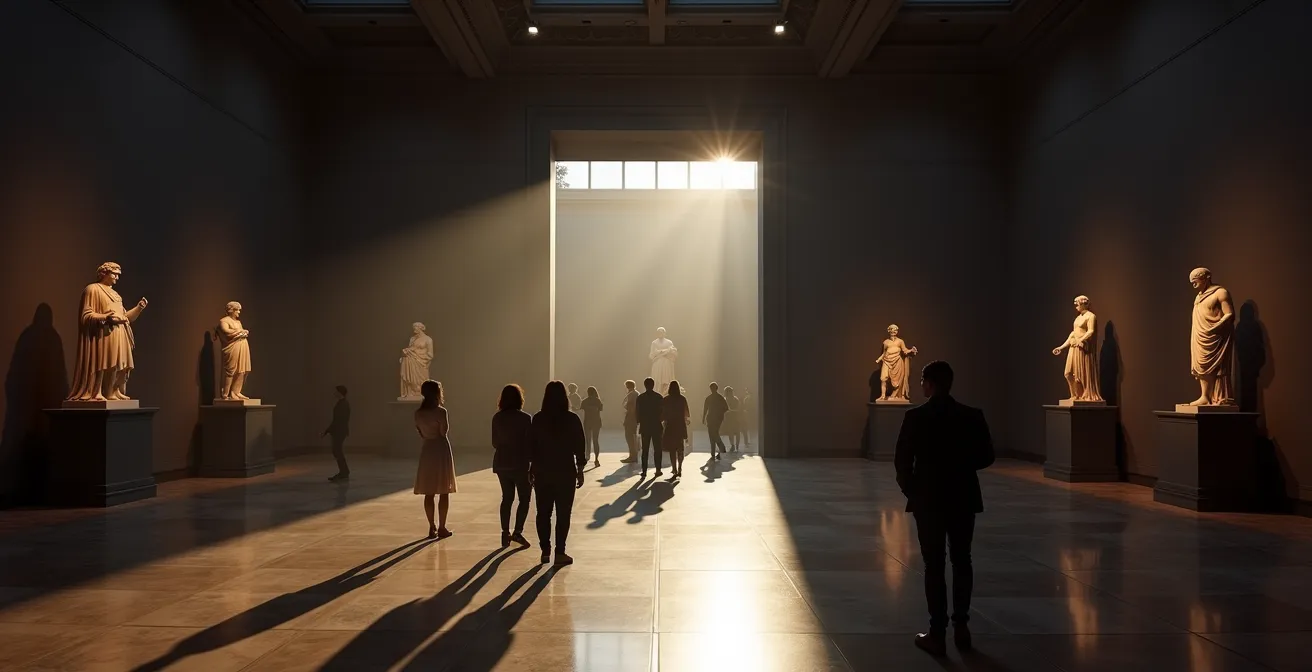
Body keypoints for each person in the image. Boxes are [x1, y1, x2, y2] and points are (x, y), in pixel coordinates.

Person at [894, 361, 994, 656]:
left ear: (929, 383)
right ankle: (961, 625)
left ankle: (937, 633)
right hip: (963, 496)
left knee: (934, 565)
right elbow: (987, 456)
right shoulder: (971, 416)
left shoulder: (915, 417)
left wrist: (913, 490)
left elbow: (902, 462)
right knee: (963, 560)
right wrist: (961, 467)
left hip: (929, 500)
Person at [529, 381, 586, 565]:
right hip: (565, 471)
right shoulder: (572, 419)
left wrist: (531, 468)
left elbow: (532, 446)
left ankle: (545, 549)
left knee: (543, 512)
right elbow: (580, 445)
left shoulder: (538, 419)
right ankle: (560, 551)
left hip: (542, 470)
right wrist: (580, 468)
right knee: (563, 513)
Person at [414, 380, 458, 540]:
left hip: (427, 449)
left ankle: (431, 526)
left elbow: (421, 433)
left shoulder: (418, 413)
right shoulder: (441, 412)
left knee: (429, 491)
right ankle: (442, 527)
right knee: (444, 489)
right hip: (440, 449)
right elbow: (443, 431)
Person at [493, 384, 533, 548]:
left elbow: (494, 442)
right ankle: (517, 532)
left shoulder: (497, 417)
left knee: (507, 498)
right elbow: (530, 443)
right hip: (520, 463)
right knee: (524, 498)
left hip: (502, 461)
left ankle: (504, 532)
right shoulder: (525, 418)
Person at [636, 377, 664, 479]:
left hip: (645, 426)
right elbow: (662, 412)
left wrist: (639, 422)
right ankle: (658, 469)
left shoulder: (640, 398)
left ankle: (644, 471)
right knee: (658, 449)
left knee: (645, 449)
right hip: (656, 425)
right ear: (653, 385)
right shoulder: (659, 397)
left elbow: (637, 412)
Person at [662, 381, 690, 478]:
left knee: (672, 449)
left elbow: (663, 414)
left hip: (670, 425)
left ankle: (673, 468)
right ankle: (680, 467)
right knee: (680, 448)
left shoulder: (666, 399)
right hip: (680, 425)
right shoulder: (682, 399)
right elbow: (686, 414)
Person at [323, 385, 351, 481]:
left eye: (336, 391)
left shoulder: (343, 404)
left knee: (337, 451)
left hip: (339, 431)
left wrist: (329, 430)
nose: (334, 393)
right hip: (339, 431)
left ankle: (344, 472)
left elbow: (338, 420)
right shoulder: (342, 403)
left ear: (340, 392)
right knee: (337, 451)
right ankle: (344, 471)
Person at [702, 382, 729, 460]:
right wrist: (720, 413)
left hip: (710, 418)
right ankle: (718, 450)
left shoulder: (708, 398)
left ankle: (716, 450)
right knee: (715, 433)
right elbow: (726, 408)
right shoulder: (720, 397)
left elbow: (705, 409)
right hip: (718, 419)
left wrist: (703, 418)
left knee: (712, 435)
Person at [581, 386, 604, 467]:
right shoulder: (598, 401)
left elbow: (581, 409)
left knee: (587, 441)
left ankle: (587, 456)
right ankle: (596, 459)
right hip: (596, 422)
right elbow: (601, 409)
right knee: (595, 440)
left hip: (587, 422)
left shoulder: (584, 401)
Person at [620, 380, 640, 464]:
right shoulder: (636, 394)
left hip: (631, 418)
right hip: (634, 418)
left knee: (630, 437)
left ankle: (633, 456)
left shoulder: (632, 395)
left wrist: (628, 410)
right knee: (632, 437)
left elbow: (630, 406)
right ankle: (633, 455)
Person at [723, 386, 741, 452]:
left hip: (735, 418)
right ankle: (733, 445)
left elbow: (738, 408)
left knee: (737, 432)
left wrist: (731, 411)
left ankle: (736, 445)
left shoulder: (735, 399)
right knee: (731, 432)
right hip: (729, 418)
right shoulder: (725, 399)